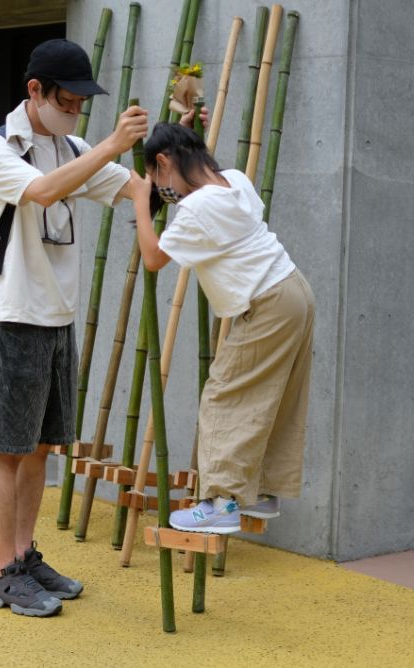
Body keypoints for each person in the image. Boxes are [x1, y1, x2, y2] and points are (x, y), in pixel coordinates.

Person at [0, 38, 148, 617]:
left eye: (81, 104)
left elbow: (129, 187)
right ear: (35, 91)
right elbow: (44, 190)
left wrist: (171, 156)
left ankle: (24, 556)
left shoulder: (71, 146)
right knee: (6, 449)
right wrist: (111, 146)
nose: (75, 112)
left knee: (42, 447)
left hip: (57, 319)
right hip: (12, 317)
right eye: (67, 101)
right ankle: (1, 571)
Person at [128, 122, 315, 535]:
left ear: (163, 162)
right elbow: (194, 181)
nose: (162, 191)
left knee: (223, 397)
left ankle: (221, 503)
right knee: (273, 400)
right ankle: (260, 492)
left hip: (268, 301)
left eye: (158, 180)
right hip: (293, 291)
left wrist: (141, 203)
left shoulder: (196, 208)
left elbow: (154, 257)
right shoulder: (234, 180)